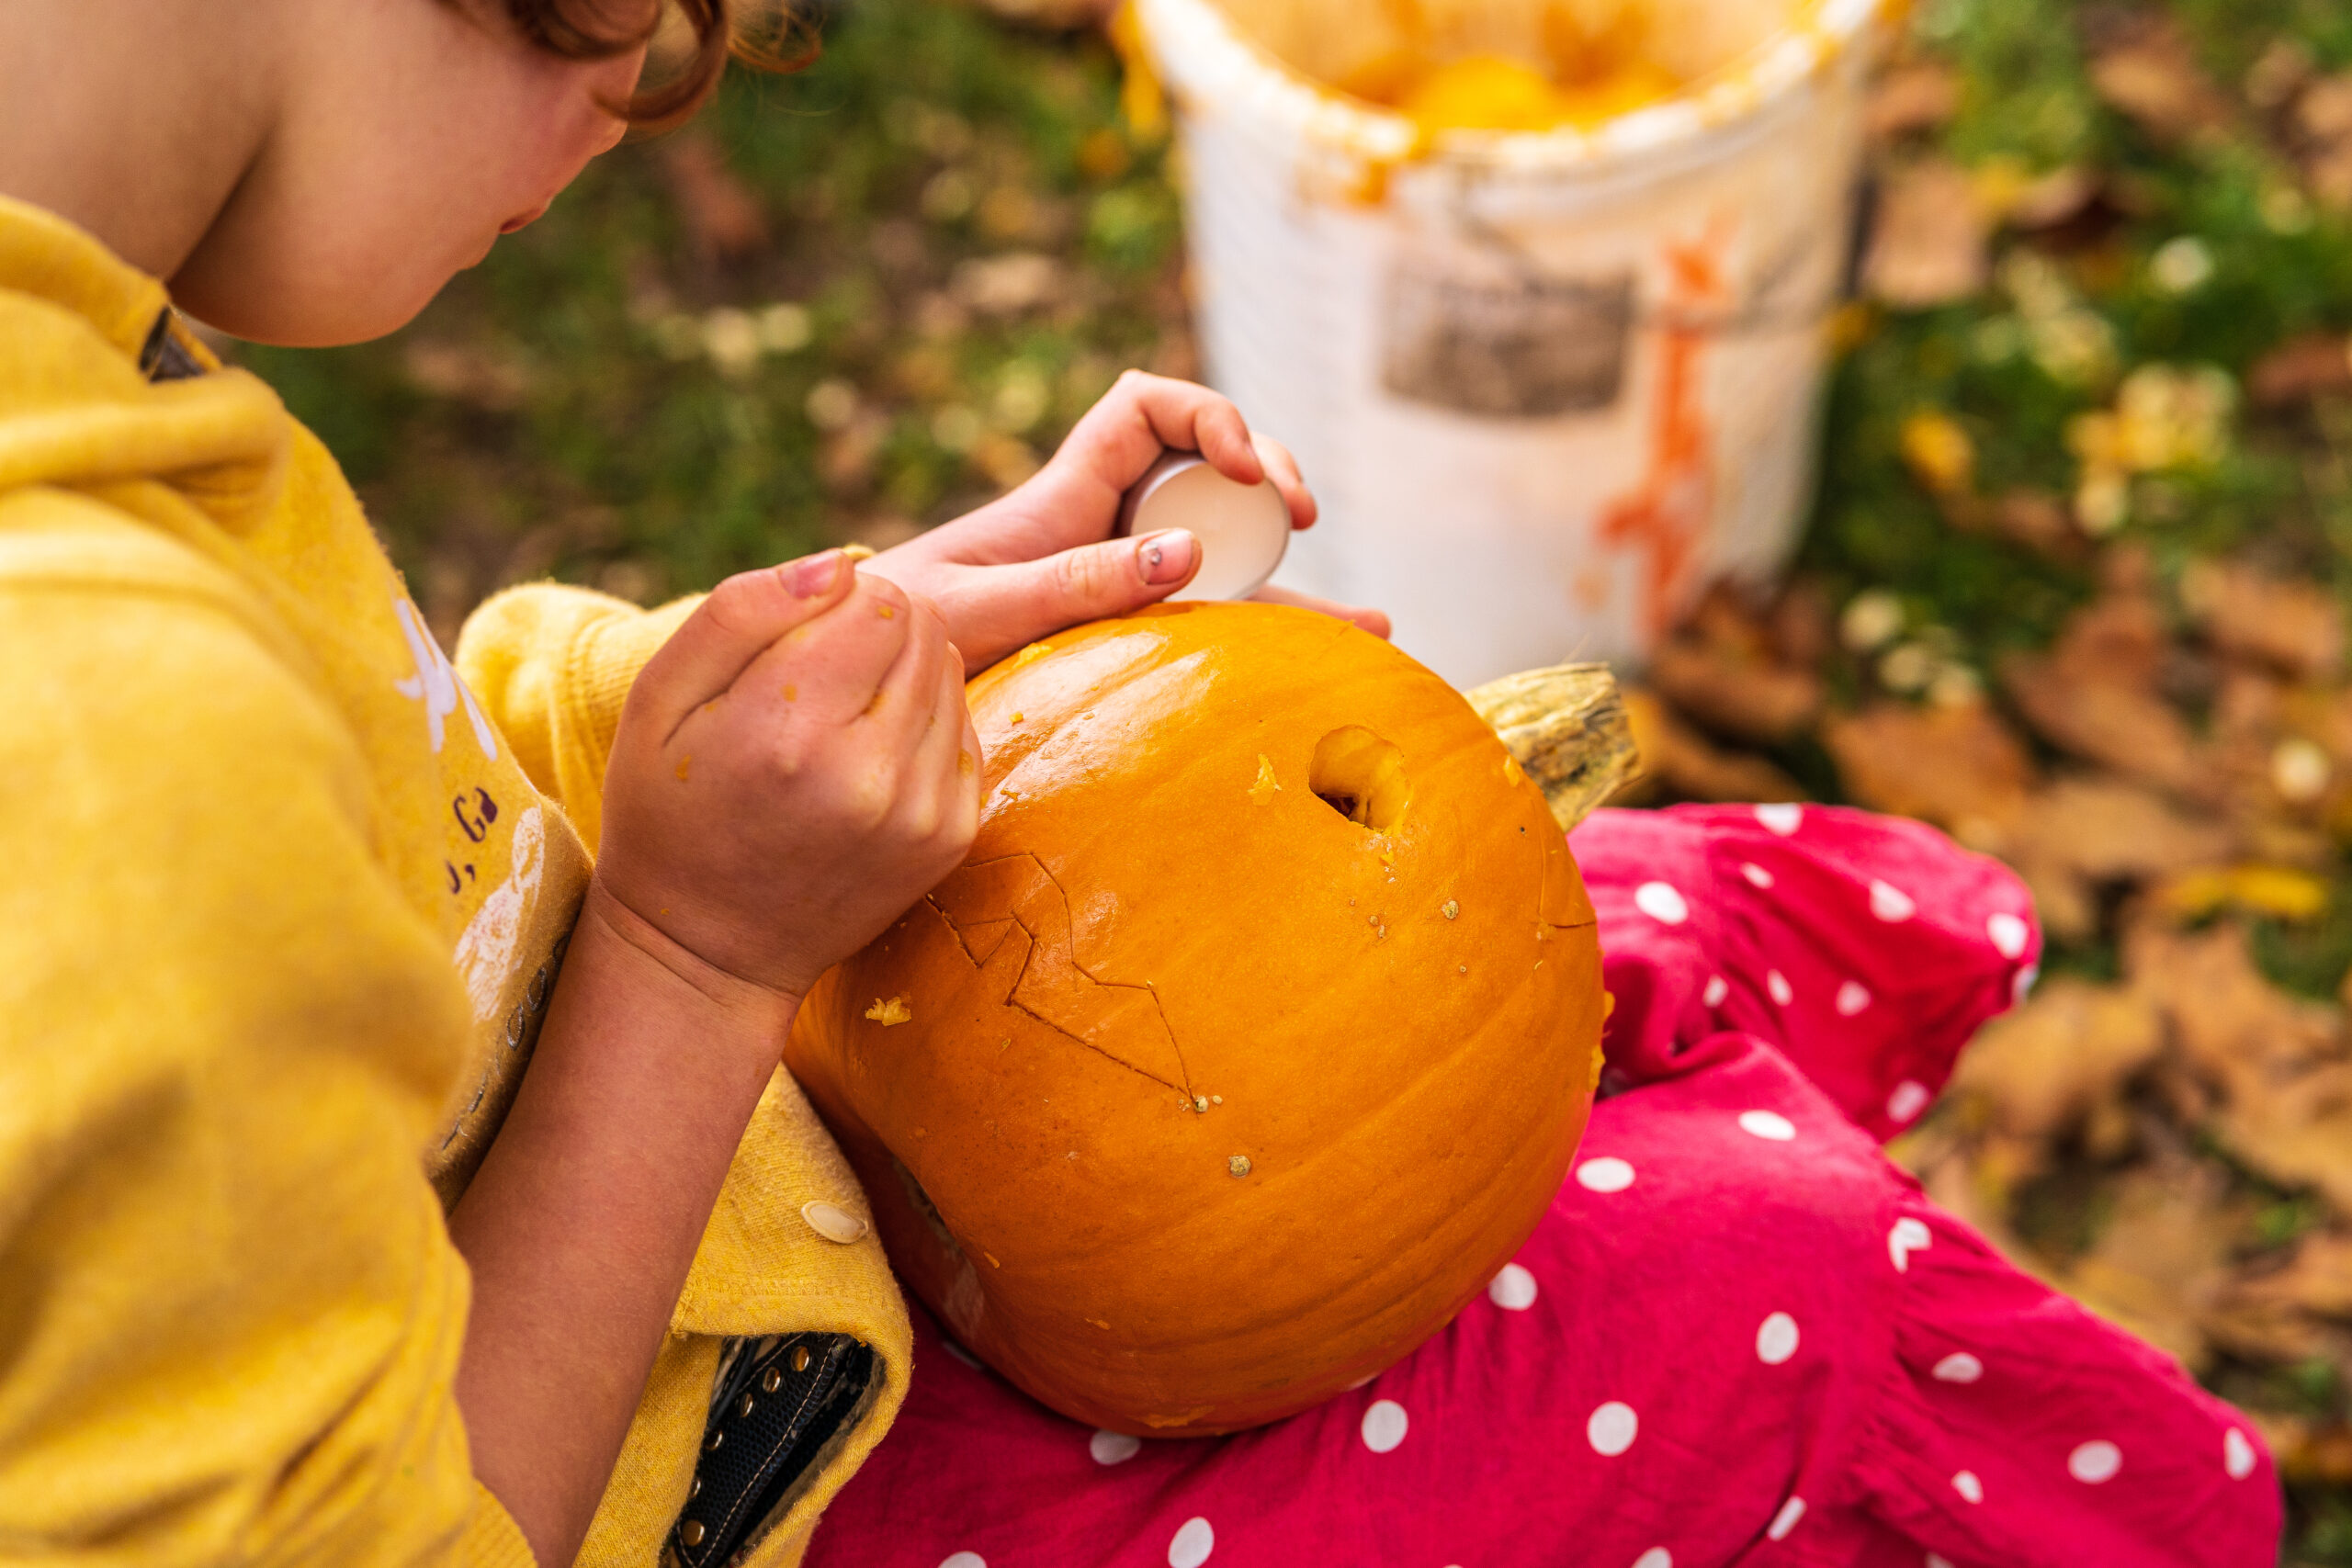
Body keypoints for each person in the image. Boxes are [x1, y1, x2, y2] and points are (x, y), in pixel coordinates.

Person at [0, 3, 1381, 1565]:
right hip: (704, 1475)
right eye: (660, 17)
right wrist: (690, 957)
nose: (642, 100)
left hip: (710, 1219)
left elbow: (375, 831)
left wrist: (798, 683)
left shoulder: (71, 358)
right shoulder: (95, 736)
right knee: (1705, 1312)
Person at [803, 805, 2284, 1568]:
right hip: (792, 1465)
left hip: (809, 1061)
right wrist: (690, 961)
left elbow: (556, 687)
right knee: (1768, 1255)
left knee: (1607, 906)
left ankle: (1861, 1013)